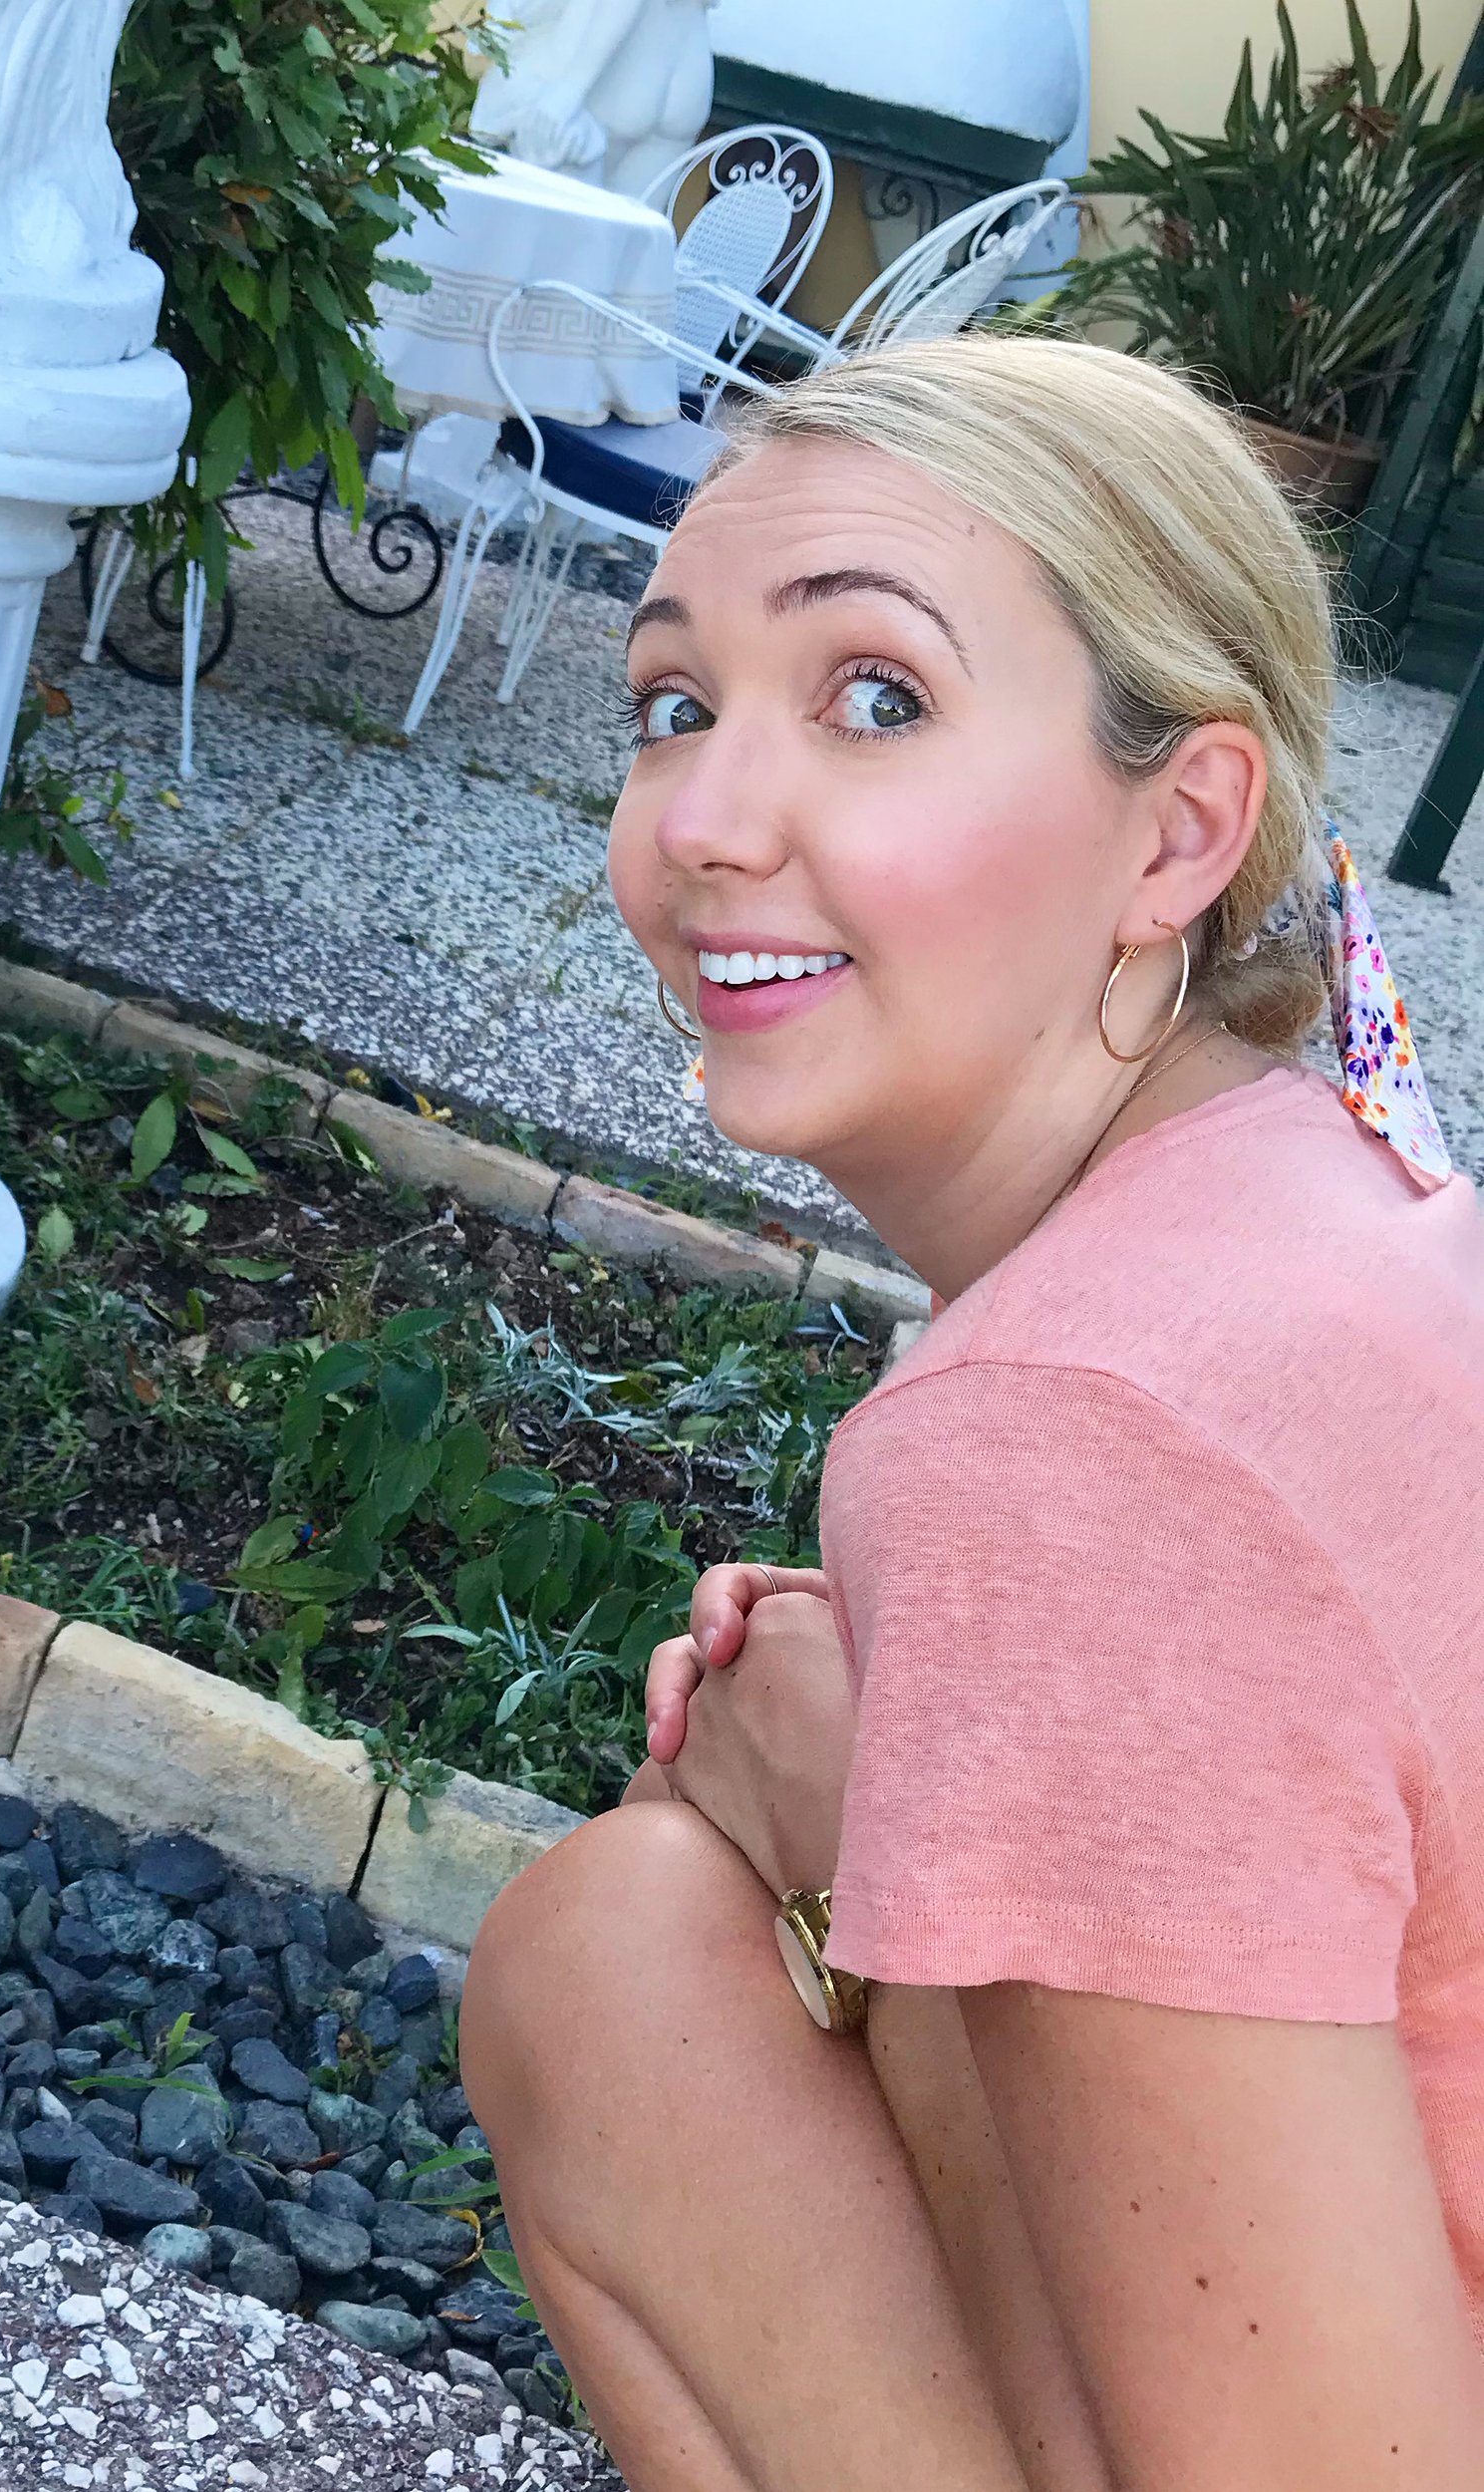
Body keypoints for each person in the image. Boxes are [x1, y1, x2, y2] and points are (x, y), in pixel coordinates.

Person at [458, 335, 1484, 2490]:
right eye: (674, 702)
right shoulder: (1327, 1186)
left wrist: (854, 1841)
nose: (706, 816)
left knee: (614, 1963)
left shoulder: (1081, 1426)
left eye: (873, 696)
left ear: (1176, 829)